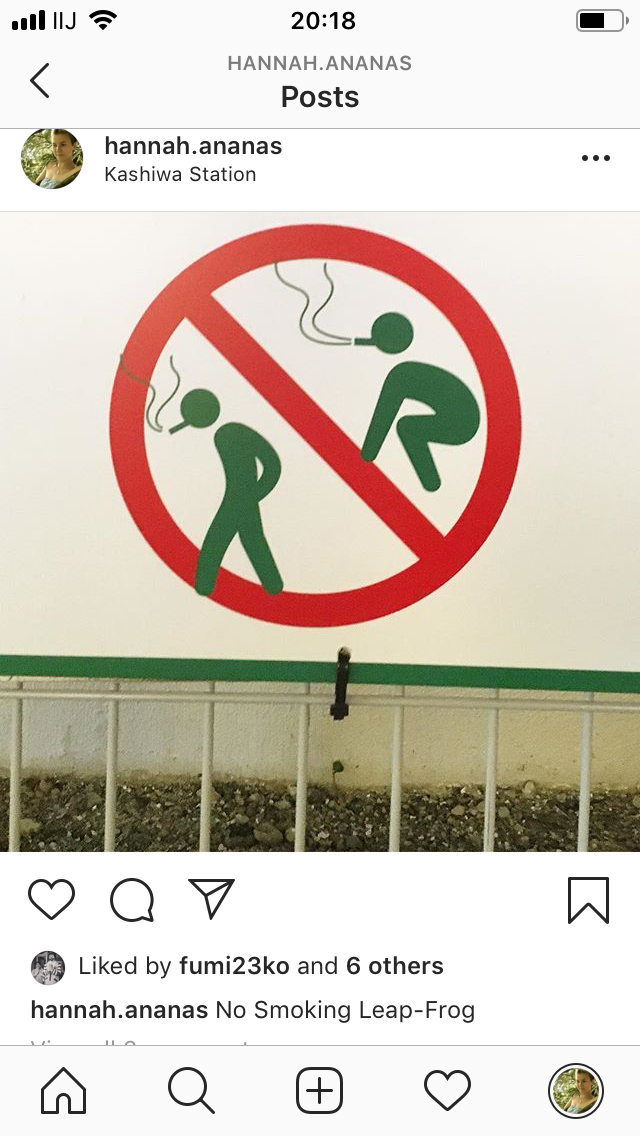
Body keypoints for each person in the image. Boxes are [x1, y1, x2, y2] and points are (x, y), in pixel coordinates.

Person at [356, 312, 480, 492]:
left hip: (463, 422)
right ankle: (432, 485)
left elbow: (382, 419)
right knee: (407, 427)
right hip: (467, 418)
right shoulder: (402, 374)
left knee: (407, 427)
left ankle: (432, 484)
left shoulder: (399, 377)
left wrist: (366, 456)